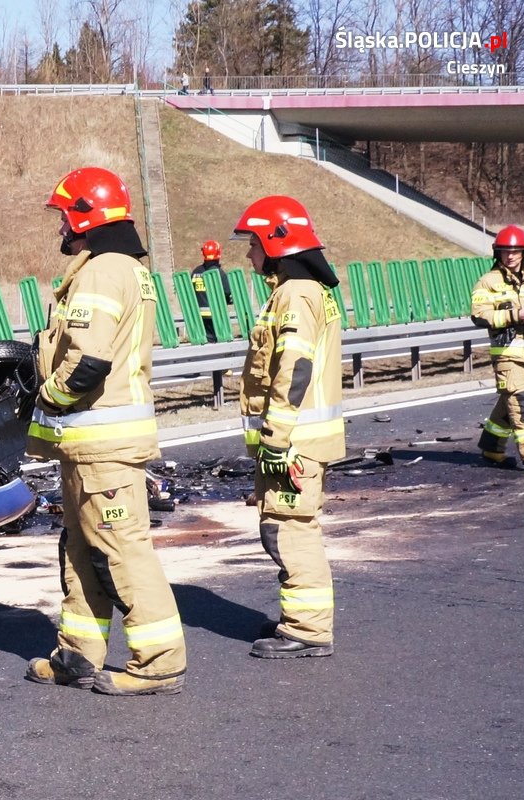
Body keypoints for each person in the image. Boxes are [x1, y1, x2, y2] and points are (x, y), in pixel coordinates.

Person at [25, 167, 186, 696]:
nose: (61, 228)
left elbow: (88, 361)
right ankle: (78, 654)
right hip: (89, 445)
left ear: (84, 216)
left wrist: (47, 396)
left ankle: (158, 662)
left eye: (65, 216)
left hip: (104, 446)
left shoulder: (101, 271)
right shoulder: (124, 268)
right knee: (80, 547)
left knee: (120, 550)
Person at [234, 196, 344, 659]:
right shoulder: (304, 290)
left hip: (293, 442)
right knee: (291, 527)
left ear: (275, 241)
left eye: (252, 243)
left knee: (289, 531)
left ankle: (307, 630)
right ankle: (301, 621)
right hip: (301, 438)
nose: (248, 254)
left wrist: (275, 439)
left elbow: (293, 367)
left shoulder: (295, 294)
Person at [470, 225, 524, 469]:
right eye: (505, 251)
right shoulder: (487, 282)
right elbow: (479, 315)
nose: (510, 256)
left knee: (510, 403)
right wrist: (517, 315)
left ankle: (491, 448)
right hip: (507, 355)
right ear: (498, 253)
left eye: (516, 251)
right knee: (523, 404)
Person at [191, 240, 234, 343]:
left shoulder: (195, 272)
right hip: (217, 318)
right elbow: (228, 293)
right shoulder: (219, 274)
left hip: (199, 318)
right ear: (218, 254)